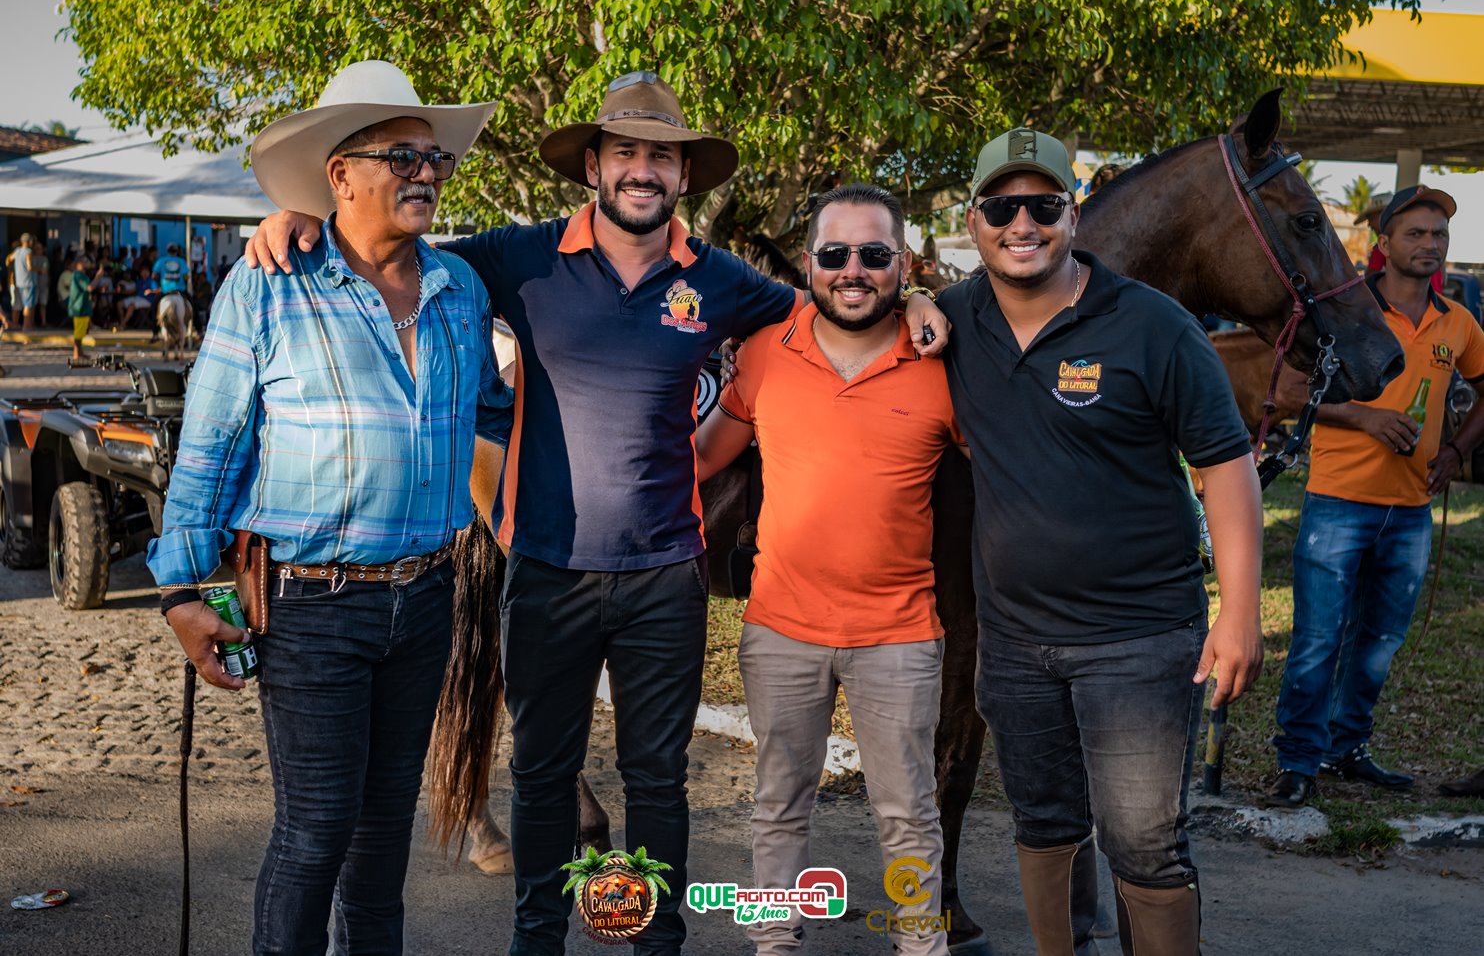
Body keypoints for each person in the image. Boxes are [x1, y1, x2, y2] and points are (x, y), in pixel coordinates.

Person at [246, 69, 949, 956]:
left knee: (659, 781)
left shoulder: (721, 281)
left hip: (664, 576)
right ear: (593, 166)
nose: (643, 169)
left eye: (662, 154)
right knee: (542, 776)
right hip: (547, 567)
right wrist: (302, 223)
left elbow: (838, 308)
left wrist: (921, 299)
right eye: (626, 152)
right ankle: (537, 941)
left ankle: (656, 944)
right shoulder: (520, 257)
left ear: (685, 176)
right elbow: (389, 243)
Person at [146, 60, 510, 955]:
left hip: (426, 600)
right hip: (311, 605)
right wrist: (181, 591)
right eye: (401, 155)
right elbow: (212, 445)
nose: (425, 171)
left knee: (381, 851)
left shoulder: (463, 294)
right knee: (313, 837)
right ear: (339, 176)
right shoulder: (268, 283)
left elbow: (493, 419)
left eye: (434, 158)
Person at [934, 129, 1263, 954]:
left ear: (1072, 216)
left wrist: (1241, 612)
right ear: (974, 221)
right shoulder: (952, 318)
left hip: (1141, 639)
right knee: (1044, 822)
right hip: (1012, 641)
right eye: (1002, 206)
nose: (1022, 223)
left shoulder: (1153, 325)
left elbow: (1225, 466)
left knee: (1145, 841)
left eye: (1042, 205)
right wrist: (909, 296)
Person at [695, 184, 961, 956]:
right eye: (836, 254)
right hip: (782, 629)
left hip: (900, 637)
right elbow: (698, 459)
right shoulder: (767, 350)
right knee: (777, 803)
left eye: (875, 256)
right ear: (809, 262)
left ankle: (921, 944)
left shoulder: (944, 362)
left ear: (902, 265)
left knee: (909, 812)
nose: (854, 270)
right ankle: (775, 942)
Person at [1269, 185, 1484, 807]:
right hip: (1338, 501)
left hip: (1412, 509)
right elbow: (1285, 392)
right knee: (1317, 638)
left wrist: (1457, 450)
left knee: (1379, 641)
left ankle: (1348, 747)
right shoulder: (1343, 311)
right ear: (1382, 245)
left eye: (1438, 235)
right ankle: (1298, 762)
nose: (1430, 244)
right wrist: (1363, 419)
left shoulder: (1458, 322)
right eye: (1415, 233)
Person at [66, 253, 92, 363]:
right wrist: (99, 277)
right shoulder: (77, 275)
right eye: (84, 261)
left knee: (81, 332)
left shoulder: (81, 275)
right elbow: (89, 288)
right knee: (78, 333)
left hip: (82, 307)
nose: (86, 263)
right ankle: (76, 353)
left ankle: (80, 352)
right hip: (79, 308)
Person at [9, 233, 36, 330]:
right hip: (27, 282)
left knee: (17, 306)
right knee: (27, 305)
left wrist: (12, 270)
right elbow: (30, 267)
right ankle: (26, 327)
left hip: (18, 282)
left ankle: (14, 325)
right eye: (31, 241)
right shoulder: (28, 251)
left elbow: (8, 260)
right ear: (27, 242)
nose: (32, 242)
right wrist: (40, 269)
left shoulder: (17, 251)